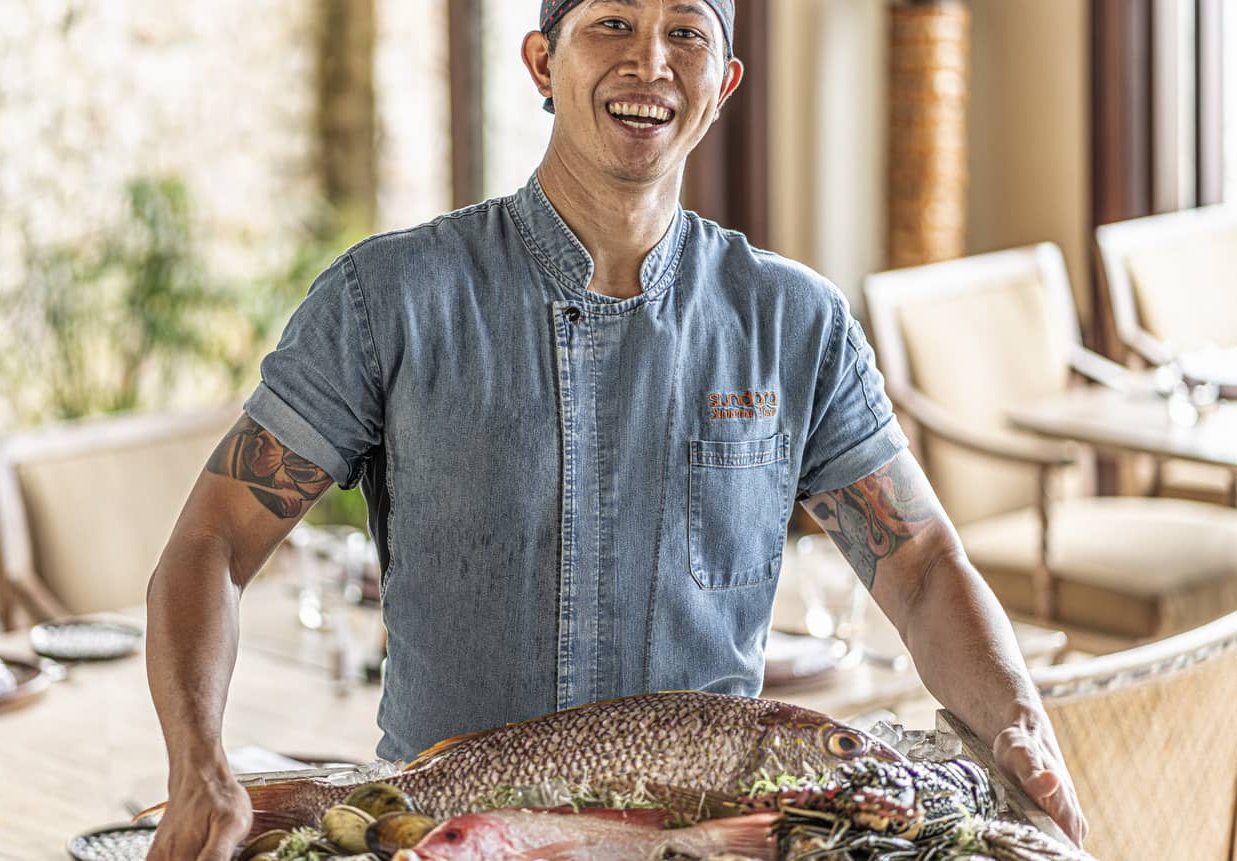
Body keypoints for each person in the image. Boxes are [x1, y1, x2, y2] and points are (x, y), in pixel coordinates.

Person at [144, 1, 1089, 857]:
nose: (650, 63)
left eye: (686, 32)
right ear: (540, 62)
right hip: (447, 838)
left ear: (723, 84)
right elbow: (212, 542)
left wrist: (1014, 717)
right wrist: (201, 767)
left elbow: (920, 564)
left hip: (714, 843)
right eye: (612, 25)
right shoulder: (387, 298)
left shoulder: (794, 322)